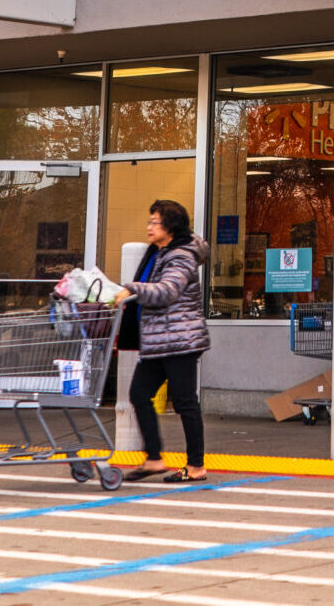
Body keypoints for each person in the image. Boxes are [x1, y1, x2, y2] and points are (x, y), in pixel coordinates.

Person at [121, 199, 210, 483]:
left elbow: (166, 291)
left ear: (170, 226)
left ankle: (196, 466)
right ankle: (154, 458)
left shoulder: (180, 256)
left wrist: (130, 290)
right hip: (159, 340)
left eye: (154, 222)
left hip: (179, 340)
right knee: (138, 393)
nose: (149, 227)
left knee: (185, 402)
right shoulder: (159, 252)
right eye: (149, 221)